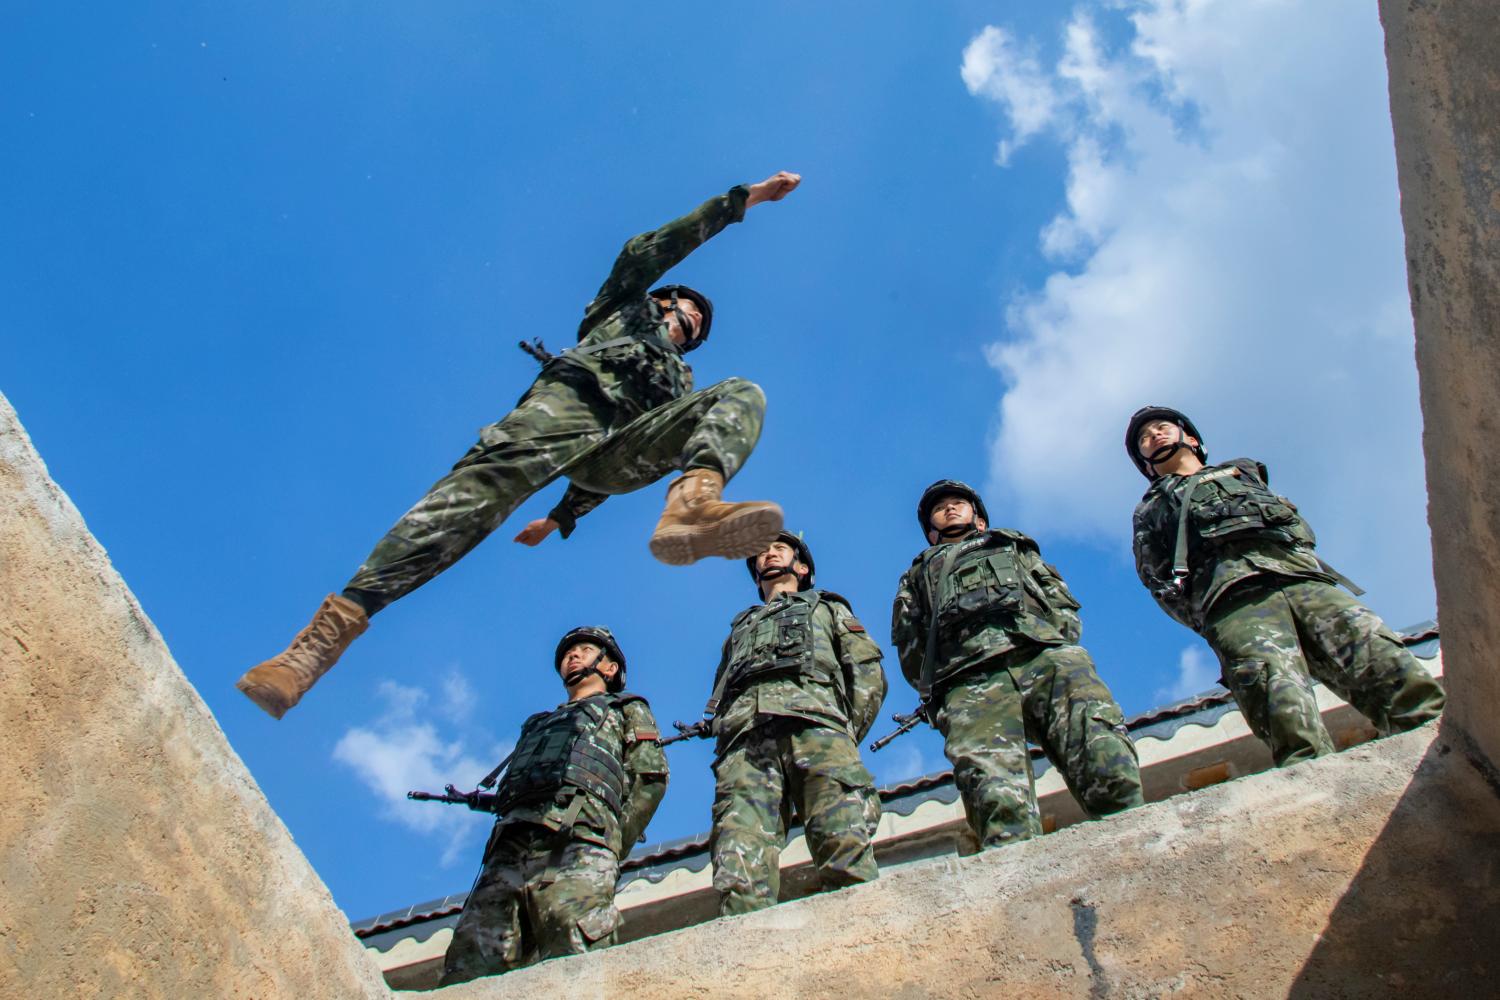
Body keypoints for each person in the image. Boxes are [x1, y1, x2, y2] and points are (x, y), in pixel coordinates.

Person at [238, 172, 802, 718]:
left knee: (741, 393)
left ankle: (694, 504)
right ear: (663, 302)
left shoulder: (679, 378)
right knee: (467, 502)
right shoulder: (622, 308)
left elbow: (635, 451)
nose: (693, 324)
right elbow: (646, 251)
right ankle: (319, 643)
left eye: (699, 327)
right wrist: (745, 200)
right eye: (688, 311)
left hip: (614, 452)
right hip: (562, 414)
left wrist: (562, 516)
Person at [1127, 405, 1445, 765]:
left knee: (1382, 659)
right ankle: (1313, 787)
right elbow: (1157, 579)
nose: (1153, 436)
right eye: (1144, 439)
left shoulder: (1243, 474)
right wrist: (1210, 617)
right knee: (1279, 704)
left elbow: (1298, 531)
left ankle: (1443, 749)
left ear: (1193, 440)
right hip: (1234, 604)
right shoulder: (1150, 510)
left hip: (1305, 582)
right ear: (1147, 465)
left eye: (1160, 428)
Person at [891, 481, 1143, 849]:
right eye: (939, 507)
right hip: (969, 678)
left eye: (958, 503)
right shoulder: (917, 574)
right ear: (930, 531)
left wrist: (1056, 641)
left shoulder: (1013, 546)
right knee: (993, 791)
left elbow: (1058, 599)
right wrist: (942, 688)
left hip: (1040, 653)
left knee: (1097, 741)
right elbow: (909, 640)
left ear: (979, 518)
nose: (948, 509)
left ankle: (1134, 833)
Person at [438, 626, 667, 985]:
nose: (571, 656)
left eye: (586, 649)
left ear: (609, 668)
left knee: (575, 945)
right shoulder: (538, 724)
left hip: (580, 841)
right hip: (510, 844)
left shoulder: (625, 708)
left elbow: (649, 778)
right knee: (472, 957)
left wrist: (610, 844)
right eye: (566, 653)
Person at [704, 531, 887, 914]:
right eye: (761, 552)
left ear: (802, 567)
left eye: (779, 549)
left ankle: (866, 936)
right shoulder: (739, 629)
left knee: (843, 841)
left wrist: (842, 733)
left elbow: (867, 673)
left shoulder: (827, 608)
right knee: (739, 857)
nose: (768, 554)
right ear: (755, 573)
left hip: (817, 728)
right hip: (747, 742)